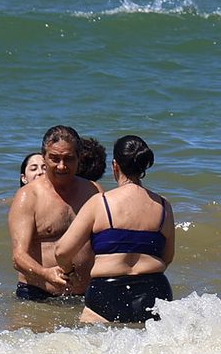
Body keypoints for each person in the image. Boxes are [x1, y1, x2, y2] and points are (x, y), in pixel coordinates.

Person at [55, 136, 176, 324]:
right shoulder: (163, 206)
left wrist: (68, 271)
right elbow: (167, 257)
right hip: (154, 291)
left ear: (115, 166)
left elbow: (62, 251)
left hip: (107, 292)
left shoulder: (100, 202)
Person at [9, 126, 101, 301]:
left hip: (85, 295)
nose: (61, 166)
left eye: (68, 159)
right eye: (54, 158)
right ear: (44, 157)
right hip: (39, 295)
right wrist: (45, 273)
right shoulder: (28, 196)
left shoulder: (93, 190)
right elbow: (18, 257)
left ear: (79, 158)